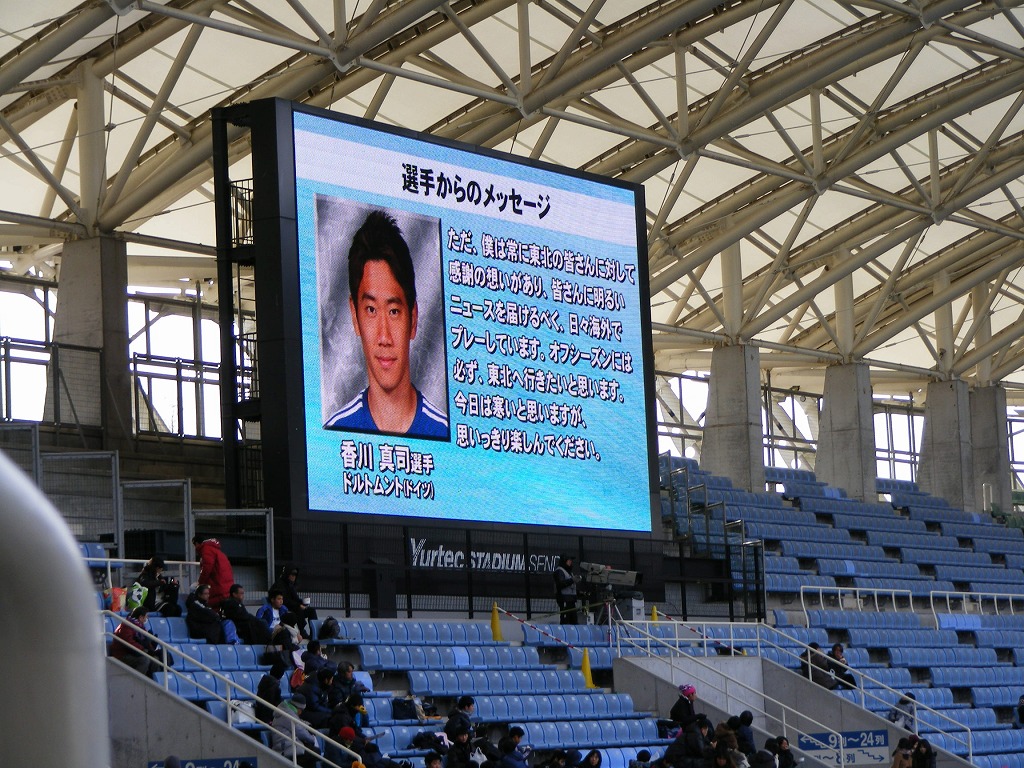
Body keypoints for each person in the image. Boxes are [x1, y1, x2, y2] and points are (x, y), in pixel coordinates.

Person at [324, 210, 448, 438]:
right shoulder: (335, 431)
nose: (384, 337)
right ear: (355, 316)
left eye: (394, 311)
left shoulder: (444, 431)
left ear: (413, 318)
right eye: (371, 310)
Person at [110, 606, 163, 678]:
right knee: (144, 660)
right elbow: (129, 643)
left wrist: (151, 649)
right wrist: (144, 650)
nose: (147, 618)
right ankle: (137, 681)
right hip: (122, 654)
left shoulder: (140, 626)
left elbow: (144, 641)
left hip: (133, 652)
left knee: (155, 660)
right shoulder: (126, 626)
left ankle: (151, 681)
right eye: (146, 616)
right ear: (141, 617)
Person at [271, 694, 322, 767]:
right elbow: (300, 731)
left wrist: (308, 725)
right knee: (314, 753)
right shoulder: (288, 714)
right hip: (285, 747)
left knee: (314, 751)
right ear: (297, 707)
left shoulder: (288, 711)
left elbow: (299, 722)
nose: (301, 713)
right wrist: (313, 739)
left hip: (290, 744)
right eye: (301, 710)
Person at [271, 564, 318, 639]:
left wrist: (302, 602)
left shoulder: (290, 585)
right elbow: (284, 600)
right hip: (285, 608)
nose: (294, 576)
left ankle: (314, 635)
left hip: (293, 607)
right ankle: (301, 631)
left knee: (311, 611)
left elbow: (295, 598)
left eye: (295, 574)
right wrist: (298, 605)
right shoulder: (280, 584)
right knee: (298, 610)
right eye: (292, 574)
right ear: (287, 574)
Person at [192, 536, 234, 608]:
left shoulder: (206, 550)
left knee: (209, 607)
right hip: (226, 588)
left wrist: (200, 583)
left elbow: (206, 569)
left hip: (218, 588)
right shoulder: (217, 551)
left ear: (197, 544)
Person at [552, 555, 580, 625]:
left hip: (571, 599)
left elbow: (570, 587)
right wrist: (572, 580)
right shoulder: (559, 571)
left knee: (573, 620)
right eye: (569, 560)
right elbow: (560, 584)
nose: (570, 562)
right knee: (565, 619)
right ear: (564, 561)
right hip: (564, 599)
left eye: (571, 560)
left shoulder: (569, 572)